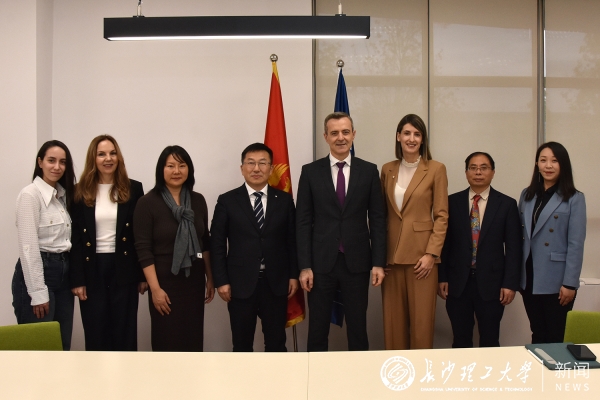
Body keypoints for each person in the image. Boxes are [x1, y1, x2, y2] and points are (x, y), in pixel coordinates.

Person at [296, 111, 386, 352]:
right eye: (334, 133)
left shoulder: (369, 171)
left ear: (353, 134)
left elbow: (377, 219)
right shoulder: (310, 172)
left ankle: (359, 374)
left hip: (357, 262)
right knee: (317, 329)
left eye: (345, 132)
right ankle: (315, 374)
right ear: (325, 137)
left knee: (358, 328)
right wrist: (304, 266)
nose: (340, 137)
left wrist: (378, 262)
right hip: (320, 264)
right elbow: (302, 222)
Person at [211, 143, 298, 352]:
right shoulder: (227, 201)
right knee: (242, 345)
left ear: (271, 168)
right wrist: (221, 281)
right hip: (239, 285)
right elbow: (217, 243)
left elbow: (292, 241)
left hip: (275, 283)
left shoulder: (284, 201)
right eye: (251, 163)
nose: (256, 168)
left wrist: (293, 275)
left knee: (276, 344)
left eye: (262, 163)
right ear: (242, 168)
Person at [133, 145, 215, 351]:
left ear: (189, 169)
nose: (176, 171)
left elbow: (204, 241)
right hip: (164, 282)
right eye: (170, 166)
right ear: (161, 170)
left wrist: (210, 278)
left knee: (193, 340)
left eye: (181, 165)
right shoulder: (147, 202)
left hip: (194, 281)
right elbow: (143, 249)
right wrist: (155, 289)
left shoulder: (198, 200)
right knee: (166, 341)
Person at [70, 135, 147, 351]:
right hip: (92, 269)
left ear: (118, 157)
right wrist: (77, 279)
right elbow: (75, 239)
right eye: (102, 154)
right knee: (96, 331)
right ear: (93, 159)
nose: (108, 158)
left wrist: (142, 275)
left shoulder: (134, 189)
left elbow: (139, 235)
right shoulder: (79, 191)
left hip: (124, 268)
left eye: (113, 153)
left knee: (125, 331)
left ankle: (125, 372)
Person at [438, 152, 522, 348]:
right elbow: (444, 244)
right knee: (460, 339)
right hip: (458, 284)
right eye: (473, 168)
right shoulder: (452, 202)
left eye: (484, 168)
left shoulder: (506, 204)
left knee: (490, 340)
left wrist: (510, 284)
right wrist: (442, 277)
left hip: (492, 285)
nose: (478, 172)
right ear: (466, 172)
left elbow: (514, 248)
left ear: (493, 172)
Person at [380, 113, 448, 350]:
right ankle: (396, 371)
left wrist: (431, 254)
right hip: (391, 260)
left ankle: (420, 372)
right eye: (407, 133)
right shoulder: (387, 169)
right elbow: (381, 216)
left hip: (422, 259)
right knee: (393, 327)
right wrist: (379, 257)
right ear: (398, 136)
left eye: (417, 134)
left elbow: (442, 216)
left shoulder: (436, 169)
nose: (411, 138)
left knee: (421, 326)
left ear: (422, 139)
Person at [519, 142, 586, 344]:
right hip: (529, 276)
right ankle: (537, 365)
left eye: (554, 161)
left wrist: (570, 283)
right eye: (543, 160)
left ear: (563, 164)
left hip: (557, 280)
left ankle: (556, 366)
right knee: (537, 332)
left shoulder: (574, 198)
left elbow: (576, 244)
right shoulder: (527, 195)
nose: (548, 165)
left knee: (556, 336)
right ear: (537, 164)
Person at [12, 140, 76, 350]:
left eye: (62, 162)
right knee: (39, 347)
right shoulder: (30, 195)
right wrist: (38, 292)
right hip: (40, 273)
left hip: (64, 274)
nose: (57, 167)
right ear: (40, 162)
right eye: (51, 160)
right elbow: (28, 248)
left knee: (62, 344)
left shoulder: (61, 196)